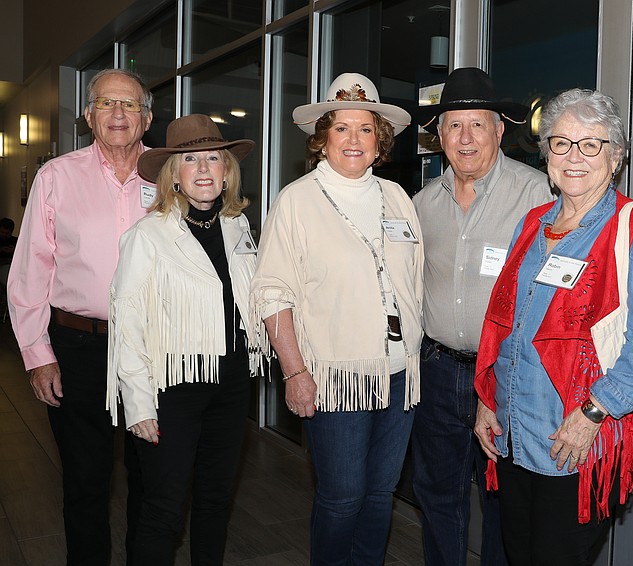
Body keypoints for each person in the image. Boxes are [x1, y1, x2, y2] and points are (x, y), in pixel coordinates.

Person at [473, 88, 633, 566]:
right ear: (546, 156)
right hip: (515, 433)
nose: (575, 157)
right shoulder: (533, 222)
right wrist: (486, 399)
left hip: (575, 439)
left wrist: (592, 415)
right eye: (561, 143)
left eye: (592, 144)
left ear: (617, 156)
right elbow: (506, 323)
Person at [250, 72, 423, 565]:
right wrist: (295, 372)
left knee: (379, 494)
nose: (353, 139)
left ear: (380, 140)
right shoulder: (296, 201)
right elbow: (271, 293)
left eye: (365, 129)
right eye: (341, 128)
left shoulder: (396, 198)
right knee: (343, 496)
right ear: (322, 137)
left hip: (398, 374)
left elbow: (413, 283)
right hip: (335, 378)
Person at [7, 68, 153, 566]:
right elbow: (29, 273)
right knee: (86, 481)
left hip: (154, 349)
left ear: (147, 117)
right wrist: (37, 355)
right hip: (77, 348)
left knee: (152, 478)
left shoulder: (169, 179)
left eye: (130, 104)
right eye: (106, 103)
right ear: (88, 115)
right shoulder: (56, 176)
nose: (118, 113)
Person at [410, 66, 553, 566]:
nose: (465, 137)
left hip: (505, 373)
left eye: (478, 123)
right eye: (453, 124)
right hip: (436, 370)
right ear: (439, 135)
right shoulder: (421, 205)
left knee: (502, 499)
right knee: (437, 495)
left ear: (499, 129)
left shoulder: (537, 196)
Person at [106, 114, 260, 565]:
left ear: (228, 168)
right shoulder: (147, 236)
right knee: (164, 511)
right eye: (190, 159)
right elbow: (127, 322)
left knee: (215, 503)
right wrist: (137, 403)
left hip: (232, 386)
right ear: (173, 173)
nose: (205, 168)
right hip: (172, 390)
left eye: (214, 157)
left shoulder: (237, 228)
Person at [0, 217, 17, 288]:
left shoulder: (15, 241)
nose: (4, 235)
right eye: (2, 232)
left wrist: (15, 251)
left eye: (7, 233)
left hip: (12, 268)